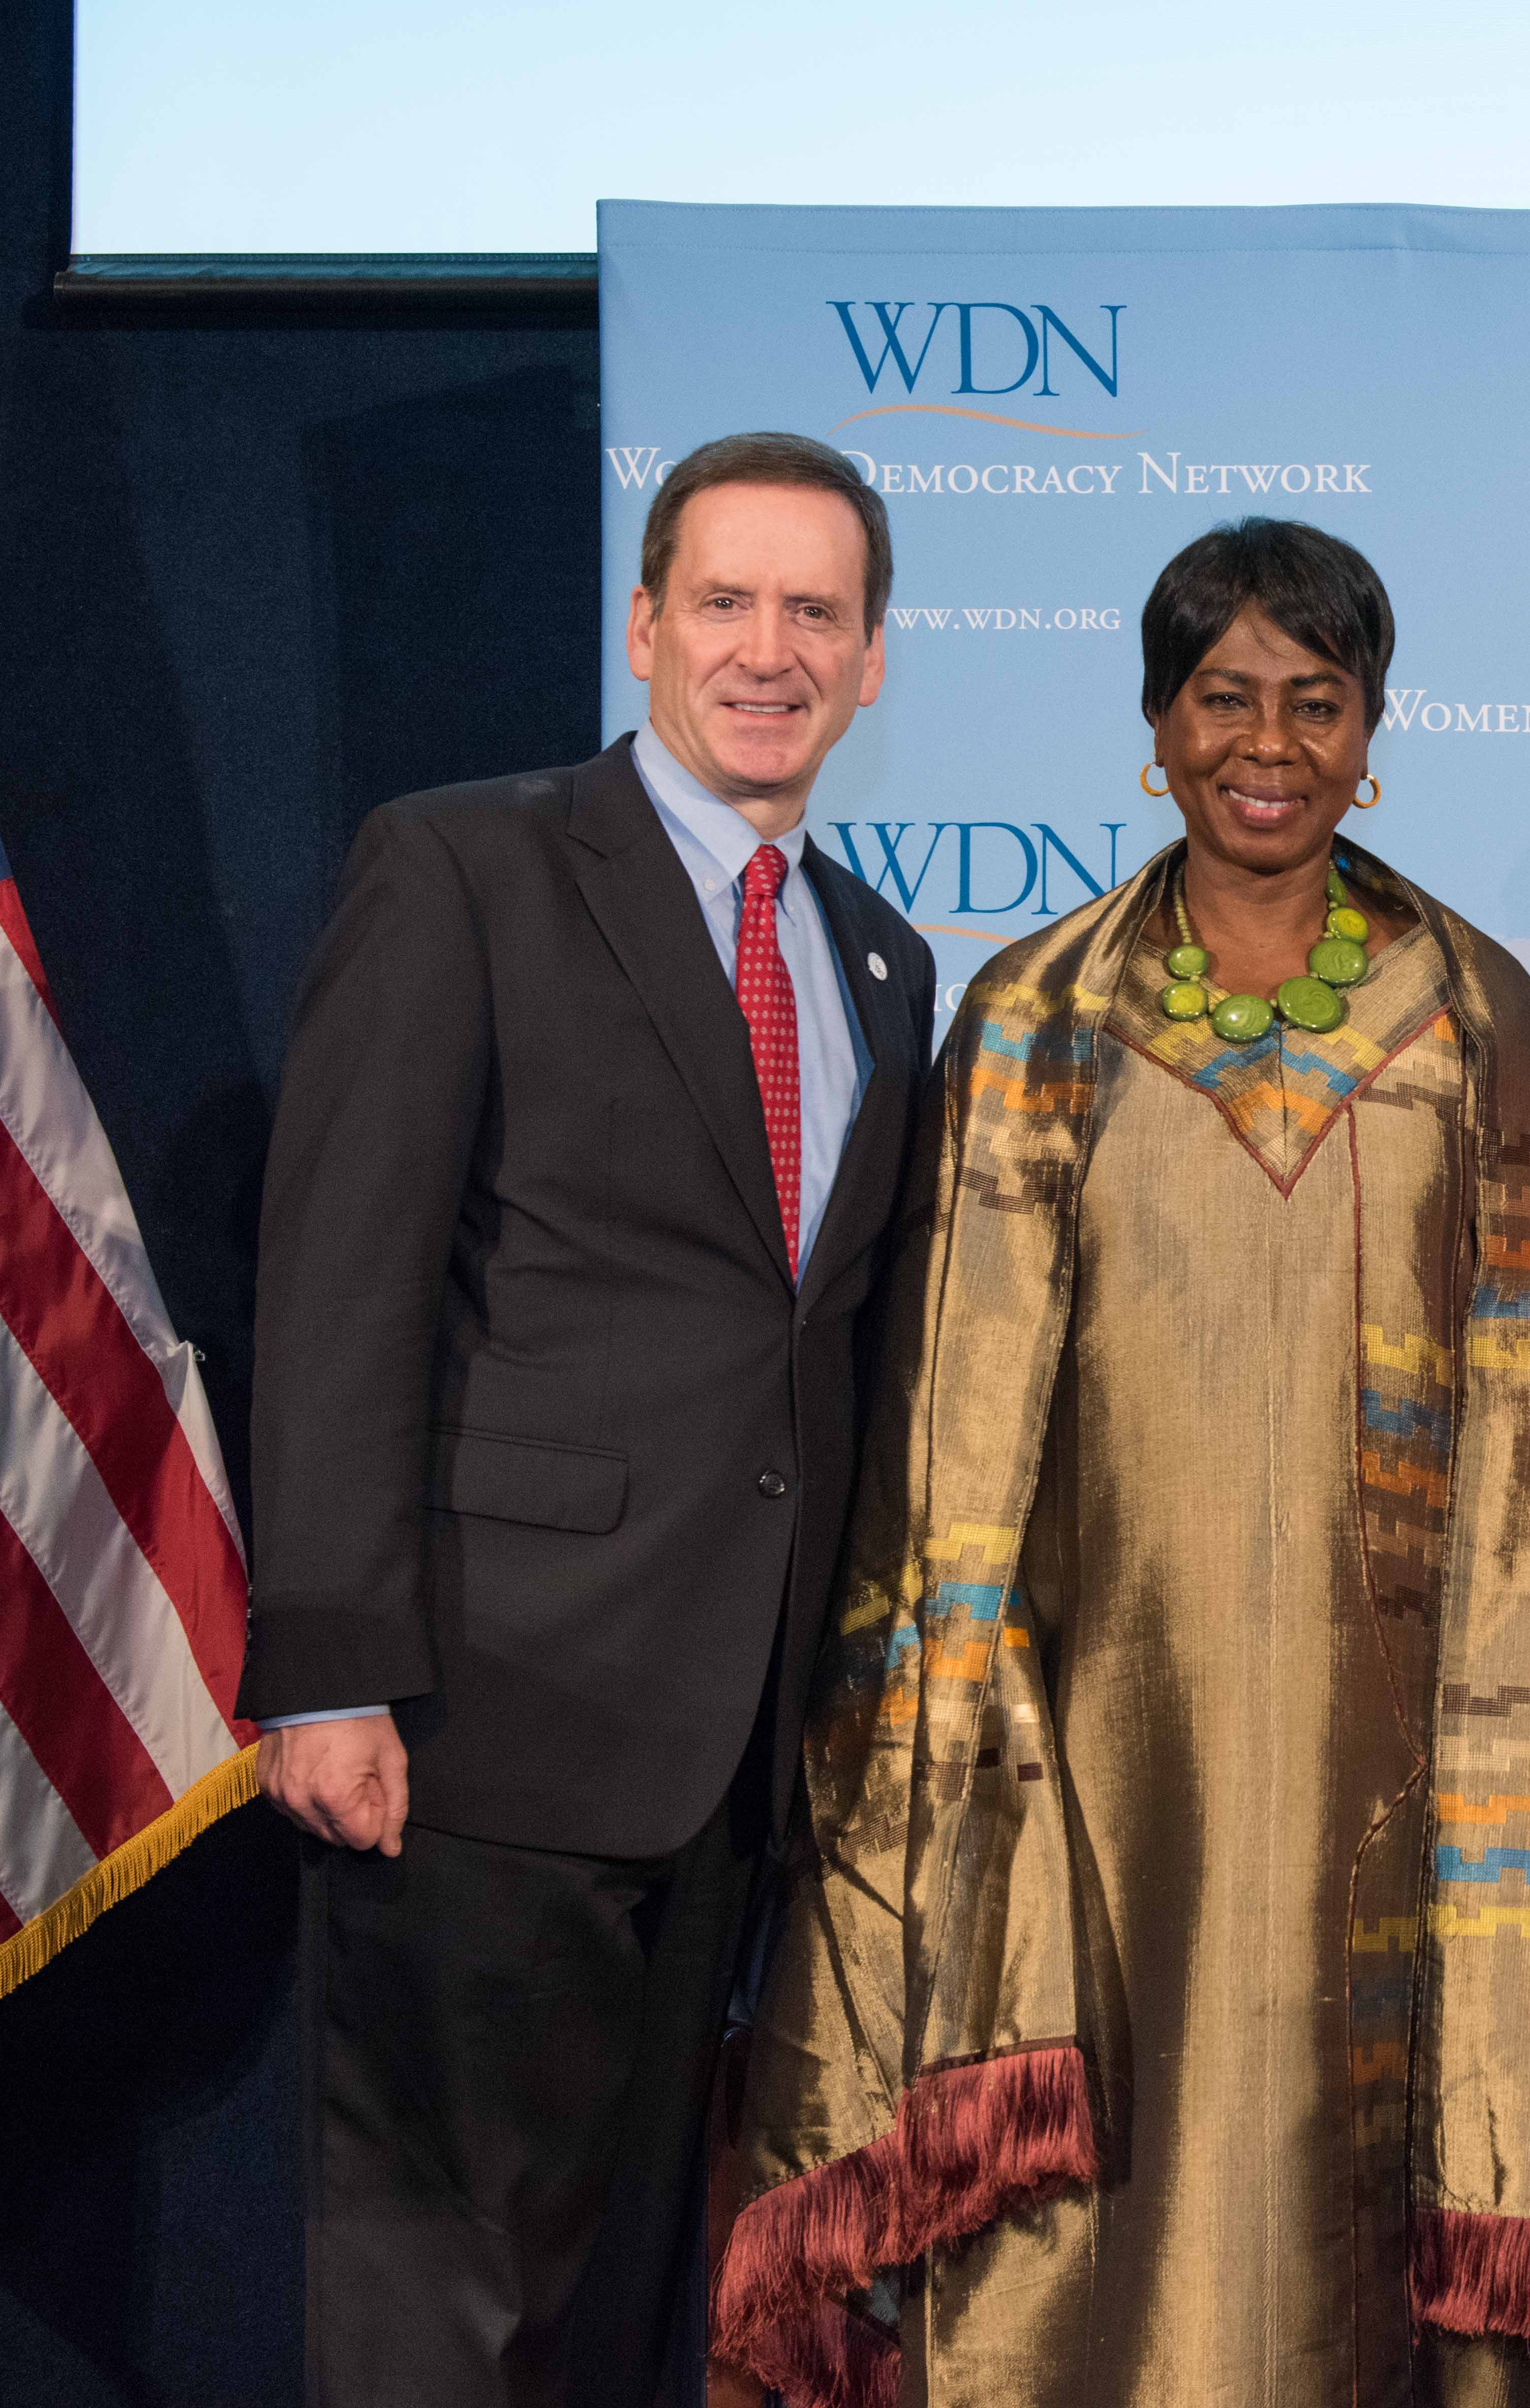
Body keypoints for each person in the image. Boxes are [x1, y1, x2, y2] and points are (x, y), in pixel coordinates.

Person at [711, 518, 1530, 2408]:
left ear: (1374, 731)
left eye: (1316, 705)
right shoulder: (1033, 1017)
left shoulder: (1475, 1015)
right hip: (1085, 1753)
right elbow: (940, 1462)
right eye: (1226, 699)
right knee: (1092, 2215)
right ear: (1155, 729)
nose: (1272, 743)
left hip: (1390, 1750)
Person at [241, 431, 937, 2404]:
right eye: (726, 599)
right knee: (442, 2310)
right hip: (477, 1725)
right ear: (645, 624)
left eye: (818, 610)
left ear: (875, 660)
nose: (768, 648)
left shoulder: (883, 962)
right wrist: (332, 1668)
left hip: (735, 1777)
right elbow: (343, 1284)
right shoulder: (462, 863)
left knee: (638, 2315)